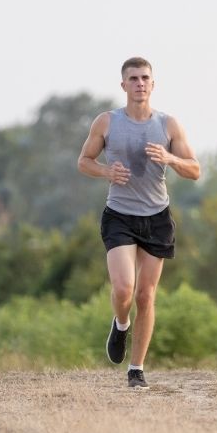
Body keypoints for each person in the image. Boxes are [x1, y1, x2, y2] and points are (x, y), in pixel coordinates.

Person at [77, 57, 201, 388]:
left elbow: (195, 170)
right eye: (133, 78)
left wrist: (171, 158)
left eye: (145, 78)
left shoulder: (168, 125)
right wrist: (106, 171)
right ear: (123, 85)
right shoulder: (106, 122)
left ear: (153, 84)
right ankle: (120, 324)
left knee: (146, 296)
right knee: (123, 289)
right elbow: (83, 161)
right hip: (119, 215)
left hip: (156, 217)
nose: (140, 83)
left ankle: (136, 369)